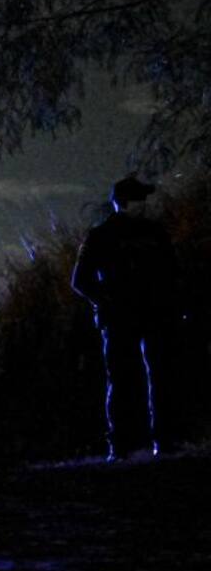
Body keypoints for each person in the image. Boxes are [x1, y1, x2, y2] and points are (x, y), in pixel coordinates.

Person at [72, 176, 178, 460]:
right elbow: (80, 280)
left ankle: (159, 441)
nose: (143, 204)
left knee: (155, 377)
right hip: (122, 318)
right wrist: (108, 302)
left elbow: (172, 273)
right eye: (138, 199)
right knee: (124, 379)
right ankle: (123, 445)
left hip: (151, 314)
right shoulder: (103, 235)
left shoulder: (152, 232)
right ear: (123, 202)